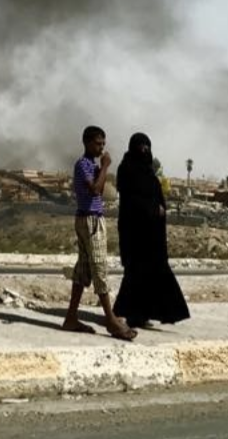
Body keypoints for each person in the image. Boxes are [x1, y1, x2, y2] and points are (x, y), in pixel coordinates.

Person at [62, 125, 137, 340]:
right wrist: (105, 166)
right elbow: (95, 190)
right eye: (98, 143)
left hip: (92, 218)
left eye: (103, 144)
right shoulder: (84, 165)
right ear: (86, 143)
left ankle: (70, 318)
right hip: (90, 220)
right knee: (99, 266)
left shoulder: (92, 166)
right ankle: (111, 320)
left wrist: (101, 169)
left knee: (83, 270)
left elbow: (101, 189)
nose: (101, 147)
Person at [113, 132, 190, 328]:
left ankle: (141, 314)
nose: (145, 149)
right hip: (135, 231)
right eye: (141, 146)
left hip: (152, 234)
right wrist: (151, 208)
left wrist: (158, 209)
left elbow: (154, 194)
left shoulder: (148, 171)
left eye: (147, 145)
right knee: (135, 272)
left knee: (153, 272)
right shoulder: (127, 169)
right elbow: (131, 199)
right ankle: (126, 313)